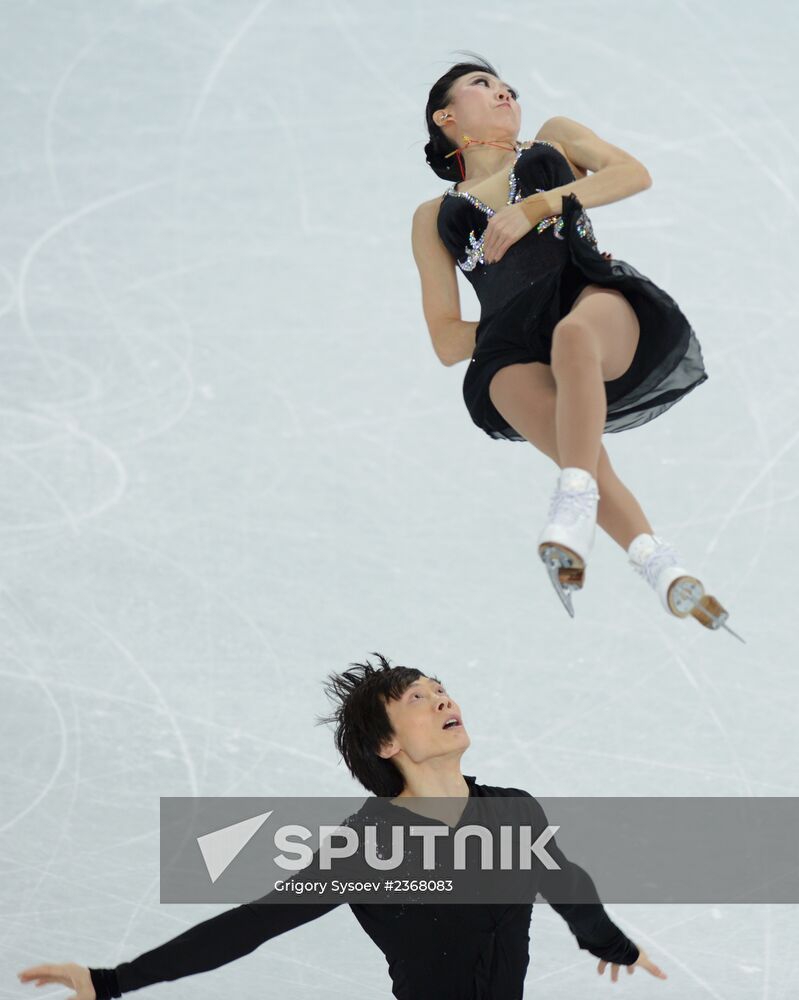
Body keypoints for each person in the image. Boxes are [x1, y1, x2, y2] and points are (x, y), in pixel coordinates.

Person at [17, 654, 667, 1000]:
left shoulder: (512, 809)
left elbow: (567, 885)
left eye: (442, 689)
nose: (444, 698)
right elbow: (252, 923)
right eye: (418, 697)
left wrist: (611, 945)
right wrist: (112, 980)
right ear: (385, 745)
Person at [412, 55, 741, 639]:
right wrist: (514, 325)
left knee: (573, 335)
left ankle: (572, 504)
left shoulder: (553, 141)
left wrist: (536, 205)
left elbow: (632, 173)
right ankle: (660, 565)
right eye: (482, 85)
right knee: (566, 435)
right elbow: (444, 336)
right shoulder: (435, 215)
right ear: (445, 115)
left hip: (592, 299)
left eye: (509, 86)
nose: (504, 92)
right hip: (510, 345)